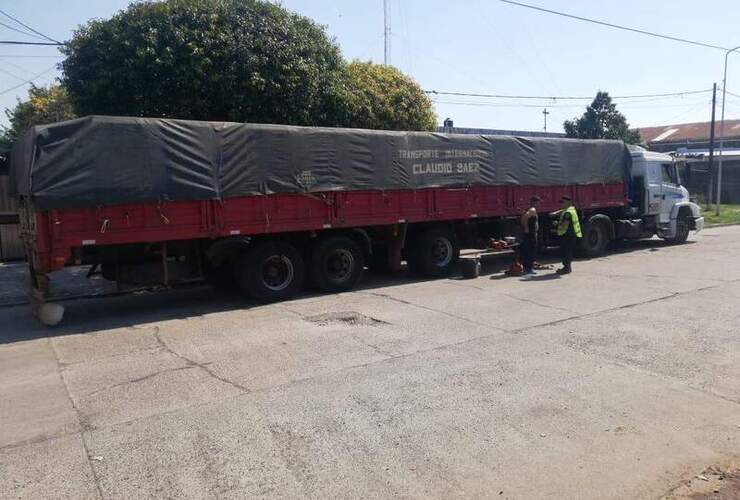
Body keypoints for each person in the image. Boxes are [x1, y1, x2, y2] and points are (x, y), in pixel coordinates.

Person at [554, 196, 582, 274]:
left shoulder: (567, 213)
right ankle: (567, 268)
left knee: (566, 252)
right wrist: (555, 213)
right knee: (568, 251)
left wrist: (557, 223)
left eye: (563, 202)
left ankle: (566, 268)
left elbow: (565, 224)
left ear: (568, 203)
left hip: (567, 235)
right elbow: (562, 210)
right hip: (571, 234)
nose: (561, 204)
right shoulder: (571, 209)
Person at [519, 196, 541, 275]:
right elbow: (524, 217)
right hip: (531, 234)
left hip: (529, 233)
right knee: (531, 251)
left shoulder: (528, 209)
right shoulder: (532, 210)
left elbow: (523, 217)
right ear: (535, 202)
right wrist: (527, 228)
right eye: (538, 202)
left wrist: (525, 228)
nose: (539, 204)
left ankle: (527, 268)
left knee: (528, 250)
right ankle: (529, 269)